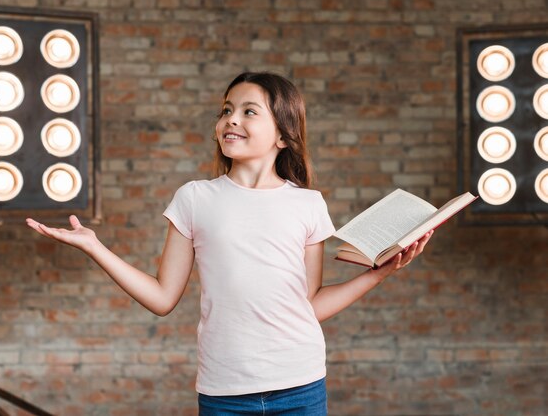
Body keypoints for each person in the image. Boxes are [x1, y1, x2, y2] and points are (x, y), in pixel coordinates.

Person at [26, 72, 433, 415]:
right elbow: (162, 298)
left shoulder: (308, 204)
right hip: (225, 390)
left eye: (248, 112)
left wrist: (380, 274)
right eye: (226, 110)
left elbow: (307, 304)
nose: (229, 120)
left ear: (283, 136)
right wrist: (96, 247)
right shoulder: (195, 198)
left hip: (302, 384)